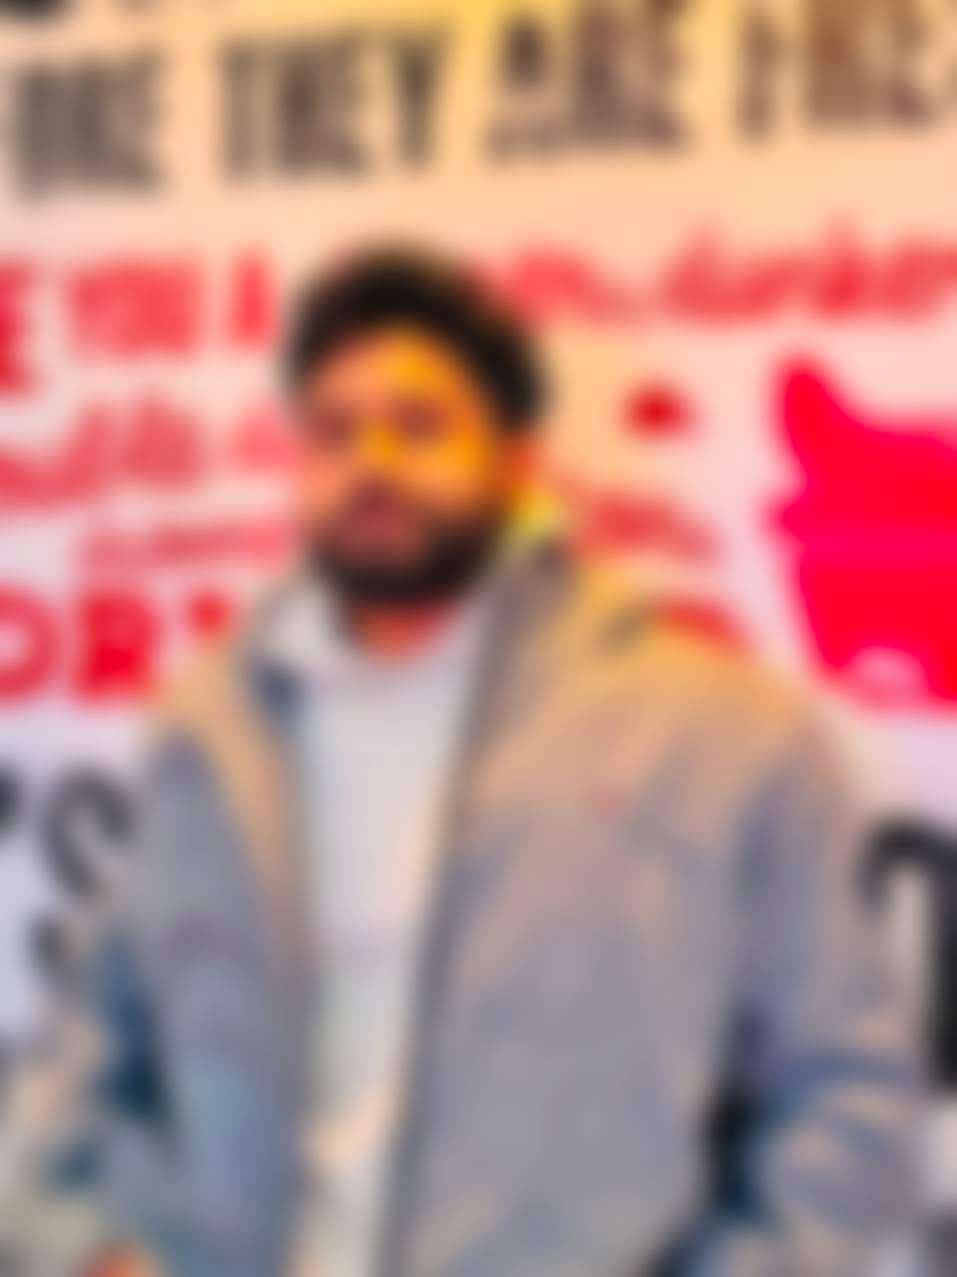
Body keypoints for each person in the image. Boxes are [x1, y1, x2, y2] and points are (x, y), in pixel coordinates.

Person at [74, 246, 913, 1276]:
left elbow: (846, 1088)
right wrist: (87, 1240)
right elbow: (93, 1026)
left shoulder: (718, 733)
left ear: (516, 461)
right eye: (332, 431)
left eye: (420, 423)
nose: (372, 461)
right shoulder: (214, 726)